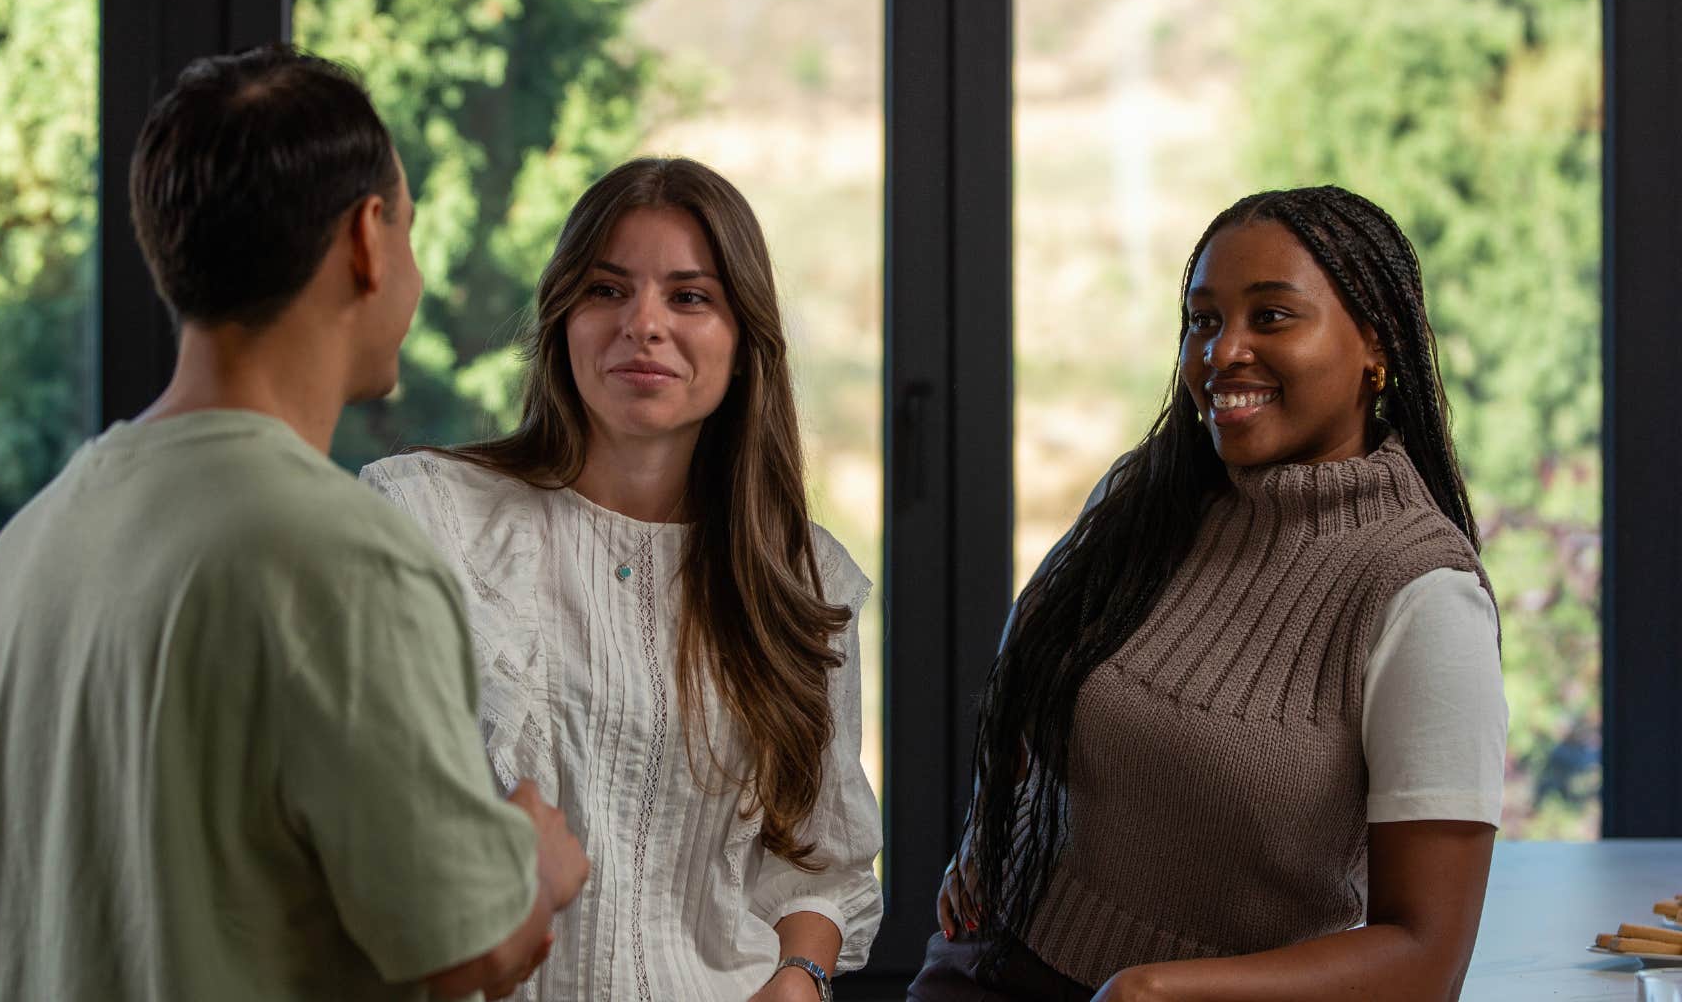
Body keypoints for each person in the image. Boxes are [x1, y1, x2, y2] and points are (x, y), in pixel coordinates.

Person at [0, 45, 587, 1001]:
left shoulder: (29, 546)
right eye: (407, 227)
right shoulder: (344, 559)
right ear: (368, 239)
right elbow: (469, 949)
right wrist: (540, 864)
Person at [912, 186, 1506, 1001]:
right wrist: (989, 834)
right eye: (1204, 320)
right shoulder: (1143, 494)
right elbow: (1034, 668)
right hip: (987, 967)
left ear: (1377, 343)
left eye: (1271, 317)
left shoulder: (1423, 596)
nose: (1224, 353)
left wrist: (1156, 989)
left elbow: (1426, 960)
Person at [361, 157, 883, 1001]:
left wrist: (802, 976)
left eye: (689, 296)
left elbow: (823, 866)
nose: (643, 324)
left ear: (744, 342)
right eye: (606, 290)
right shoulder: (429, 519)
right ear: (561, 317)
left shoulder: (803, 576)